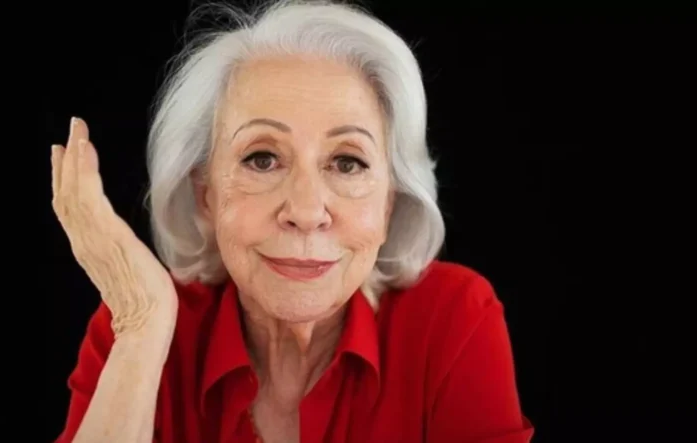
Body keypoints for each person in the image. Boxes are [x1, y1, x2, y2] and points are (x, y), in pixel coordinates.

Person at [50, 0, 534, 442]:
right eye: (262, 159)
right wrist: (141, 327)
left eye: (347, 163)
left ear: (389, 201)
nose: (305, 213)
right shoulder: (136, 323)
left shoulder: (452, 318)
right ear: (205, 194)